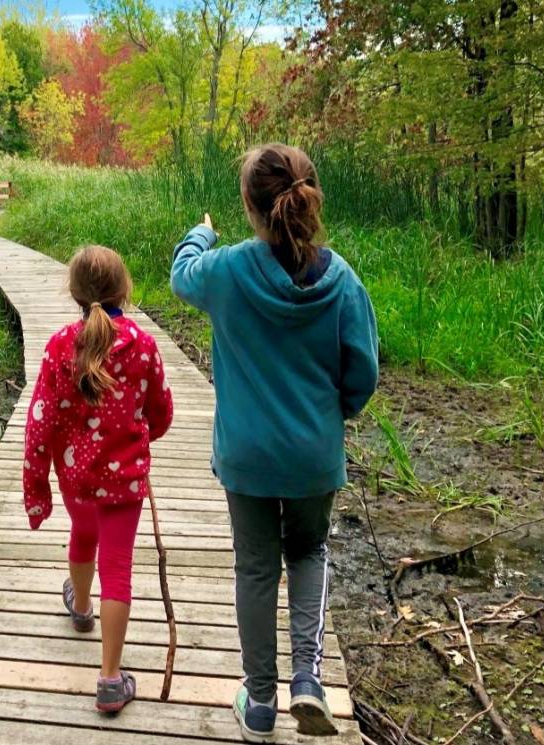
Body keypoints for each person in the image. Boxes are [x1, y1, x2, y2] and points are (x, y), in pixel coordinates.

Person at [170, 143, 379, 741]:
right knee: (309, 553)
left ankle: (259, 702)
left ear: (249, 206)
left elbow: (182, 275)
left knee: (256, 569)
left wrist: (198, 235)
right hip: (314, 454)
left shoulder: (228, 269)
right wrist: (332, 414)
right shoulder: (341, 281)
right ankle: (308, 681)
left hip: (248, 457)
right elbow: (362, 372)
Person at [23, 244, 174, 713]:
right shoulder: (143, 345)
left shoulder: (57, 347)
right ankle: (110, 678)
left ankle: (82, 608)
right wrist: (144, 432)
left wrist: (37, 483)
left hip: (76, 475)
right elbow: (161, 412)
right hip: (124, 481)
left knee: (82, 535)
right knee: (118, 568)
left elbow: (39, 422)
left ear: (73, 292)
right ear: (124, 290)